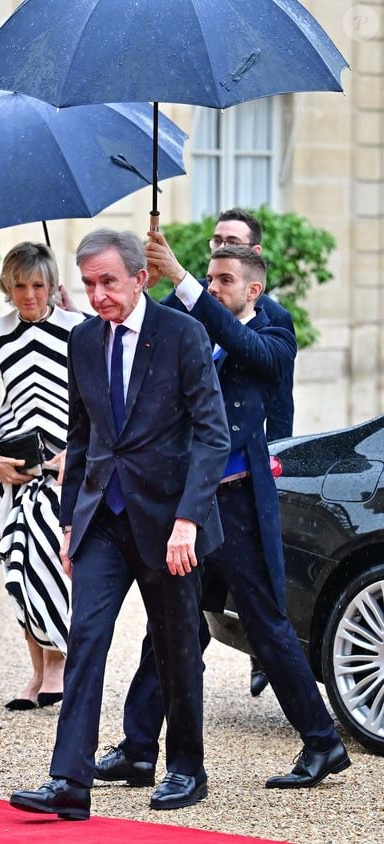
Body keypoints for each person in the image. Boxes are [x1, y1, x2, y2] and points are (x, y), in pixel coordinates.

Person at [95, 238, 350, 791]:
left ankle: (322, 741)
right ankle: (138, 748)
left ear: (253, 289)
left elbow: (243, 345)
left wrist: (181, 277)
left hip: (237, 504)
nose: (212, 288)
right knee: (169, 626)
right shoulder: (197, 331)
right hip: (192, 503)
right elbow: (153, 328)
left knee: (265, 622)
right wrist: (132, 286)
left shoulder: (273, 336)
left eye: (224, 280)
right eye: (208, 279)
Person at [9, 229, 230, 820]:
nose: (98, 294)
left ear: (141, 277)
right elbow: (80, 437)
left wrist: (188, 519)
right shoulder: (82, 340)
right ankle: (69, 782)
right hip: (101, 520)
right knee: (85, 640)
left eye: (108, 281)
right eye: (89, 284)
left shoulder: (183, 334)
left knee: (175, 647)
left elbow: (213, 436)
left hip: (169, 524)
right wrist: (68, 524)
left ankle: (186, 769)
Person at [162, 207, 295, 696]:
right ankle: (145, 730)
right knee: (176, 621)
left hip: (242, 483)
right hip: (196, 488)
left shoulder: (274, 322)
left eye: (230, 244)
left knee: (262, 612)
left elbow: (273, 390)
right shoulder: (200, 301)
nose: (219, 249)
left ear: (253, 263)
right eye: (215, 242)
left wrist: (278, 457)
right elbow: (157, 321)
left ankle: (311, 724)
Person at [0, 242, 85, 711]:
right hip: (13, 468)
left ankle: (57, 664)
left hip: (62, 467)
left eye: (38, 285)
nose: (30, 294)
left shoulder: (78, 329)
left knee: (49, 558)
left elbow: (100, 398)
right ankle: (37, 672)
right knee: (15, 564)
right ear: (7, 287)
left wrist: (77, 452)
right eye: (20, 286)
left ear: (52, 285)